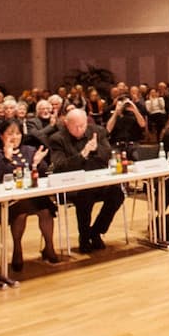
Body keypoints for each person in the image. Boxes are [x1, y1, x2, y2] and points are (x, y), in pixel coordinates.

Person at [0, 119, 59, 271]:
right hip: (8, 200)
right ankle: (17, 249)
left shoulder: (30, 150)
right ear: (1, 136)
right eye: (10, 133)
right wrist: (6, 158)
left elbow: (44, 175)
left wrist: (37, 164)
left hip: (33, 195)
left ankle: (49, 247)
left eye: (17, 133)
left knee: (45, 210)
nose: (14, 137)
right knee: (21, 212)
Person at [42, 108, 123, 253]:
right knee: (85, 196)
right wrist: (83, 154)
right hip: (75, 186)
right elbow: (59, 167)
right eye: (76, 126)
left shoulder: (97, 131)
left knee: (117, 193)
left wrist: (97, 148)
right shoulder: (57, 139)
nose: (80, 129)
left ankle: (96, 231)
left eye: (83, 125)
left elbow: (107, 156)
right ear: (67, 124)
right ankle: (84, 237)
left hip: (98, 181)